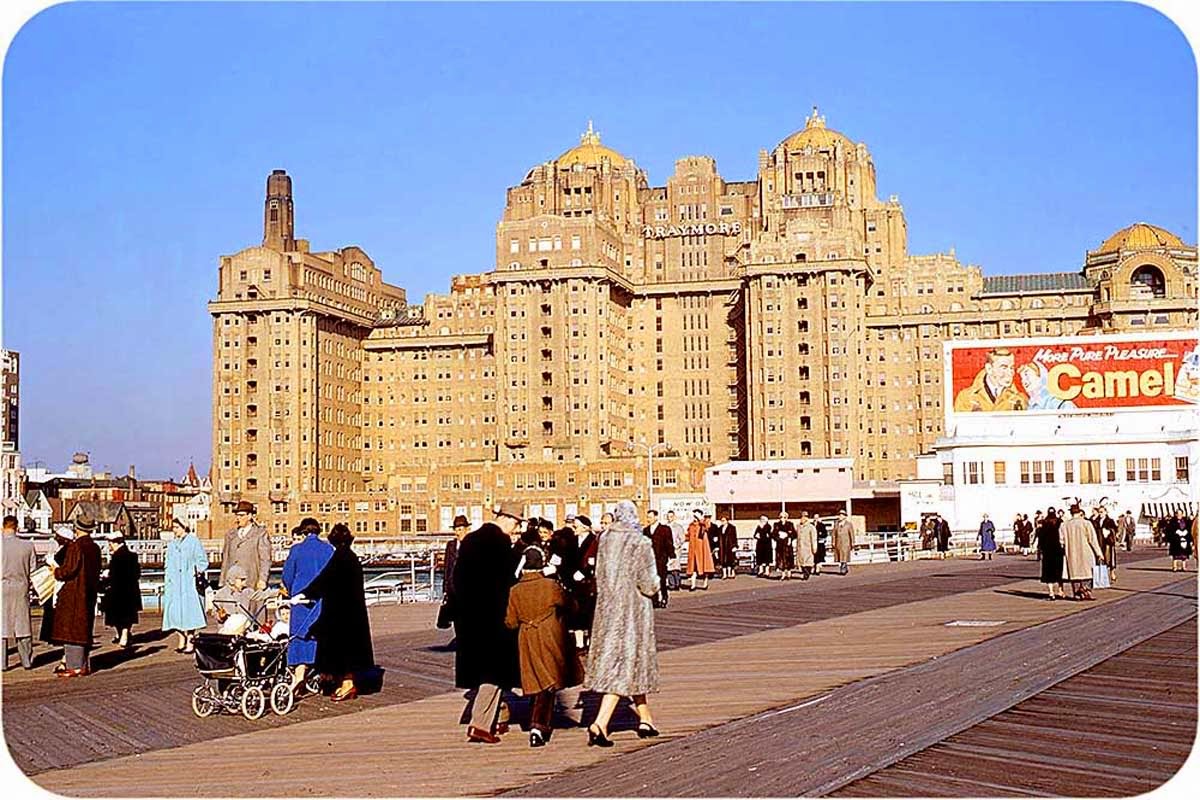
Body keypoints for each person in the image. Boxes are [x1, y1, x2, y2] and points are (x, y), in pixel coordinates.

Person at [584, 500, 661, 747]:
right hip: (632, 613)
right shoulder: (640, 542)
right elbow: (648, 583)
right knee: (624, 666)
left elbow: (599, 575)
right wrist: (657, 584)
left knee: (631, 664)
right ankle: (600, 723)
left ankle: (645, 719)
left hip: (607, 611)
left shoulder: (605, 539)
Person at [452, 501, 523, 744]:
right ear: (507, 519)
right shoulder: (501, 545)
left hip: (468, 617)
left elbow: (457, 578)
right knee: (495, 671)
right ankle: (480, 725)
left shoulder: (470, 540)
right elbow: (508, 583)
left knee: (484, 668)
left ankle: (499, 717)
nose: (516, 529)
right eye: (516, 523)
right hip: (494, 616)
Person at [504, 546, 576, 747]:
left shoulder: (515, 590)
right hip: (549, 635)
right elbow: (571, 605)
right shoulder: (550, 585)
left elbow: (510, 622)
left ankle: (538, 721)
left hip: (526, 637)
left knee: (537, 679)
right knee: (548, 681)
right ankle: (538, 725)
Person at [299, 522, 375, 702]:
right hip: (353, 612)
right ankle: (346, 682)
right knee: (349, 649)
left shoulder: (339, 557)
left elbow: (324, 580)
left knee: (341, 649)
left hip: (340, 612)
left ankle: (348, 684)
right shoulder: (351, 557)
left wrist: (305, 593)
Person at [281, 517, 333, 694]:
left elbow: (287, 575)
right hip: (323, 598)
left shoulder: (296, 549)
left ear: (303, 532)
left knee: (300, 635)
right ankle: (326, 674)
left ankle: (299, 676)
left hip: (301, 598)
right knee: (323, 635)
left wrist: (291, 592)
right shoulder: (328, 549)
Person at [50, 513, 103, 677]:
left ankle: (75, 666)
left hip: (74, 594)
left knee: (72, 630)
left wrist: (55, 571)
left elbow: (68, 571)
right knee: (84, 628)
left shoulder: (75, 546)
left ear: (76, 527)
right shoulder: (95, 548)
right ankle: (84, 664)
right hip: (89, 592)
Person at [161, 518, 209, 653]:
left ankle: (190, 640)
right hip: (174, 584)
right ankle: (181, 637)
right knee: (174, 614)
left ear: (184, 527)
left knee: (190, 614)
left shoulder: (194, 542)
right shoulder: (172, 545)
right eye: (174, 527)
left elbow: (202, 561)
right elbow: (168, 563)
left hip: (189, 584)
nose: (174, 530)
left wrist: (196, 571)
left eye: (177, 527)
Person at [3, 515, 37, 670]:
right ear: (16, 527)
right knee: (23, 625)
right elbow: (33, 570)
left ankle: (2, 662)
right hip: (21, 586)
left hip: (2, 586)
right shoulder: (28, 546)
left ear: (3, 526)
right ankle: (26, 660)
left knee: (2, 626)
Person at [99, 533, 141, 648]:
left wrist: (105, 578)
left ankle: (122, 636)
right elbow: (137, 574)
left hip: (116, 591)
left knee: (116, 616)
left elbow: (114, 575)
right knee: (128, 615)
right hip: (130, 590)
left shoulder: (116, 557)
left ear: (116, 542)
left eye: (111, 543)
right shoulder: (132, 556)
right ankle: (124, 635)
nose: (109, 545)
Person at [953, 347, 1027, 412]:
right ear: (989, 369)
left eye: (1011, 368)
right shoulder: (965, 398)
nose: (1010, 373)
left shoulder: (1020, 399)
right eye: (1004, 368)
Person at [220, 500, 271, 591]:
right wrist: (222, 581)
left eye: (241, 515)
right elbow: (225, 560)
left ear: (250, 516)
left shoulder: (260, 534)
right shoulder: (230, 535)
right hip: (232, 584)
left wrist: (263, 579)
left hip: (251, 581)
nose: (238, 518)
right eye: (237, 515)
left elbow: (265, 559)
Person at [1061, 504, 1104, 601]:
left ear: (1071, 513)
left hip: (1071, 553)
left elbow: (1061, 541)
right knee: (1087, 573)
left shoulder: (1064, 525)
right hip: (1086, 552)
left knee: (1074, 574)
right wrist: (1099, 553)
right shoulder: (1086, 523)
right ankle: (1086, 591)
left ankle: (1077, 593)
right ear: (1080, 512)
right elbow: (1093, 540)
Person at [643, 510, 674, 606]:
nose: (648, 519)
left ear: (656, 517)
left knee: (662, 579)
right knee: (652, 580)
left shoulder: (665, 529)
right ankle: (654, 599)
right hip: (649, 560)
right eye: (648, 517)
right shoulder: (646, 530)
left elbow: (669, 543)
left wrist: (671, 556)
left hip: (661, 558)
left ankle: (664, 597)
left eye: (650, 517)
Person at [1036, 507, 1065, 600]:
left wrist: (1040, 549)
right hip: (1058, 550)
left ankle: (1051, 592)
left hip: (1047, 551)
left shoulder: (1044, 523)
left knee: (1048, 573)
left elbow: (1040, 537)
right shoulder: (1060, 522)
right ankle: (1061, 590)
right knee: (1059, 571)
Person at [685, 509, 714, 591]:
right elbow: (687, 535)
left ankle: (705, 583)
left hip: (702, 549)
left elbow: (707, 526)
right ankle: (693, 585)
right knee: (693, 567)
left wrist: (700, 519)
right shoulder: (691, 525)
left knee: (704, 566)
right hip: (693, 549)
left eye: (696, 516)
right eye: (694, 516)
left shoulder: (703, 524)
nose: (694, 517)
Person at [1092, 506, 1118, 581]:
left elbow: (1115, 529)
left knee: (1110, 558)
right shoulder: (1096, 520)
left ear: (1106, 512)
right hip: (1100, 542)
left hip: (1108, 543)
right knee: (1100, 558)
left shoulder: (1110, 520)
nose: (1100, 514)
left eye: (1102, 512)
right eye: (1099, 512)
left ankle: (1112, 573)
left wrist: (1109, 531)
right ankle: (1102, 575)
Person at [664, 511, 686, 590]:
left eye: (671, 516)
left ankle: (677, 584)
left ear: (674, 517)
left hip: (676, 549)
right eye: (668, 516)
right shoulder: (665, 527)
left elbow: (682, 538)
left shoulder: (678, 527)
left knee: (675, 568)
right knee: (668, 568)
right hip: (667, 550)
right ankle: (671, 584)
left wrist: (677, 545)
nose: (669, 518)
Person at [795, 511, 818, 580]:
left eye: (804, 517)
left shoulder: (811, 527)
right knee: (801, 562)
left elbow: (814, 538)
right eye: (801, 517)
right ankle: (804, 572)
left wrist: (814, 547)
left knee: (808, 562)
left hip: (808, 547)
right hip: (800, 547)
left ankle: (807, 574)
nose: (802, 519)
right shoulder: (798, 527)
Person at [772, 511, 795, 579]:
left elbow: (794, 534)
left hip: (787, 545)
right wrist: (778, 537)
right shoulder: (776, 524)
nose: (783, 518)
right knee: (781, 559)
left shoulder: (790, 524)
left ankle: (789, 573)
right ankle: (783, 574)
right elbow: (773, 534)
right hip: (780, 545)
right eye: (781, 517)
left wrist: (789, 536)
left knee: (788, 558)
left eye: (784, 517)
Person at [832, 509, 856, 575]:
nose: (840, 516)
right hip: (838, 543)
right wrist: (833, 542)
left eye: (842, 515)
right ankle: (843, 566)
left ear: (845, 516)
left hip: (846, 543)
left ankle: (843, 567)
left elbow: (852, 534)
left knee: (844, 556)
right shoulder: (836, 524)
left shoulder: (849, 524)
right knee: (840, 556)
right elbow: (833, 534)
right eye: (839, 515)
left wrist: (853, 542)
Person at [715, 514, 738, 580]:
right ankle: (724, 574)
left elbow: (734, 537)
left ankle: (730, 573)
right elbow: (718, 538)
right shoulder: (719, 528)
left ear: (727, 521)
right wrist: (717, 546)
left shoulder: (732, 528)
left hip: (729, 546)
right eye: (721, 520)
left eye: (724, 520)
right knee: (722, 560)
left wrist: (735, 546)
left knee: (730, 560)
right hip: (722, 546)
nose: (722, 522)